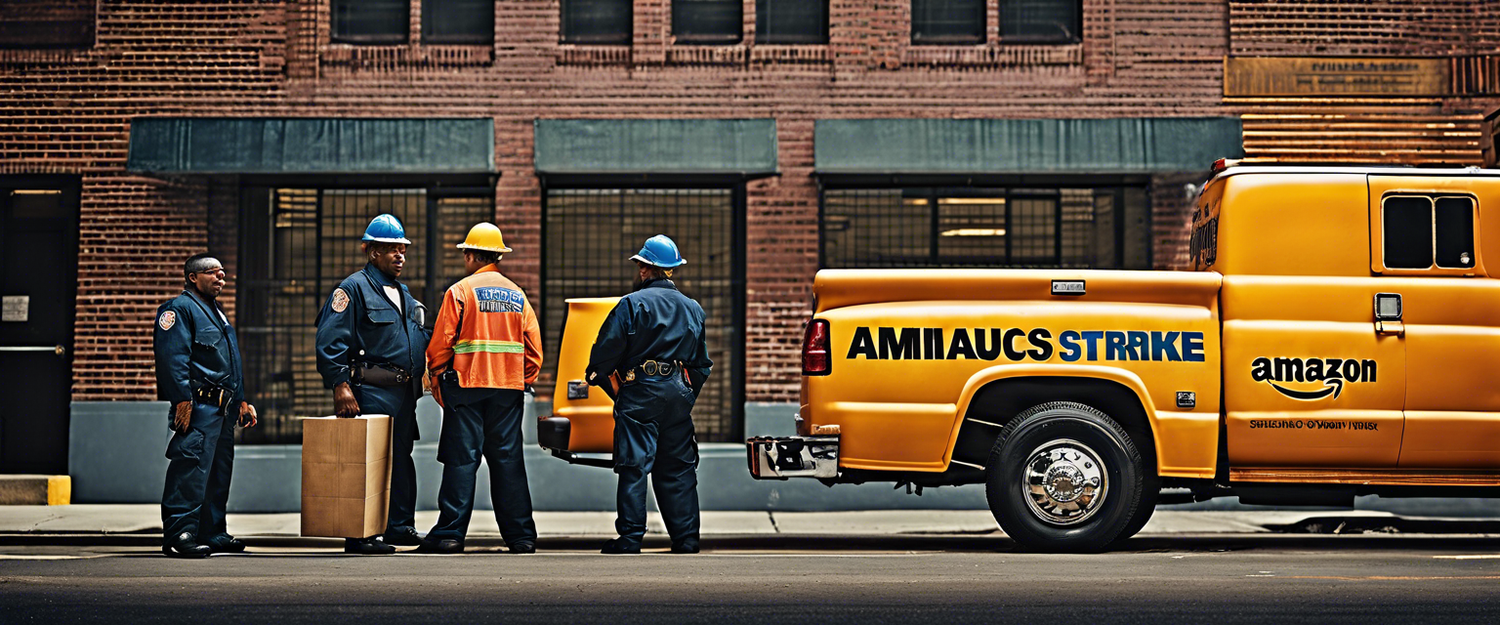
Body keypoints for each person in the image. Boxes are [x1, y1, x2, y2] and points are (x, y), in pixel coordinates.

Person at [418, 222, 542, 554]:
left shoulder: (460, 291)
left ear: (472, 255)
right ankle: (521, 537)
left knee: (461, 460)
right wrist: (520, 380)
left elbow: (439, 347)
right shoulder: (517, 295)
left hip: (466, 389)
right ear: (497, 256)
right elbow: (534, 352)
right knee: (508, 461)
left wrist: (439, 380)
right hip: (508, 391)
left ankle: (450, 534)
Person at [586, 234, 712, 554]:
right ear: (672, 270)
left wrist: (615, 387)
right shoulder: (693, 309)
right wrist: (684, 393)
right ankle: (686, 539)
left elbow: (603, 357)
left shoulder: (632, 304)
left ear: (645, 269)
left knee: (634, 465)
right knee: (678, 467)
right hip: (679, 395)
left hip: (640, 390)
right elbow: (701, 365)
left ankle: (630, 538)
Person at [314, 214, 430, 555]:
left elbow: (416, 338)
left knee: (400, 459)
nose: (399, 256)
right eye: (390, 249)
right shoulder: (351, 288)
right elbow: (330, 340)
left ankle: (399, 526)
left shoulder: (404, 294)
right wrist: (340, 385)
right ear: (371, 252)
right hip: (371, 390)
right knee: (367, 461)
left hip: (404, 393)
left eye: (402, 249)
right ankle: (360, 534)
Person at [154, 253, 257, 558]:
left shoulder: (215, 311)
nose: (220, 278)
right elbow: (173, 358)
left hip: (223, 410)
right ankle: (179, 533)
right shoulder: (179, 309)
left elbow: (230, 364)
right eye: (213, 273)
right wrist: (181, 399)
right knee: (191, 468)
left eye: (222, 274)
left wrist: (240, 401)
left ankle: (212, 532)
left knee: (217, 472)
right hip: (199, 407)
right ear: (192, 278)